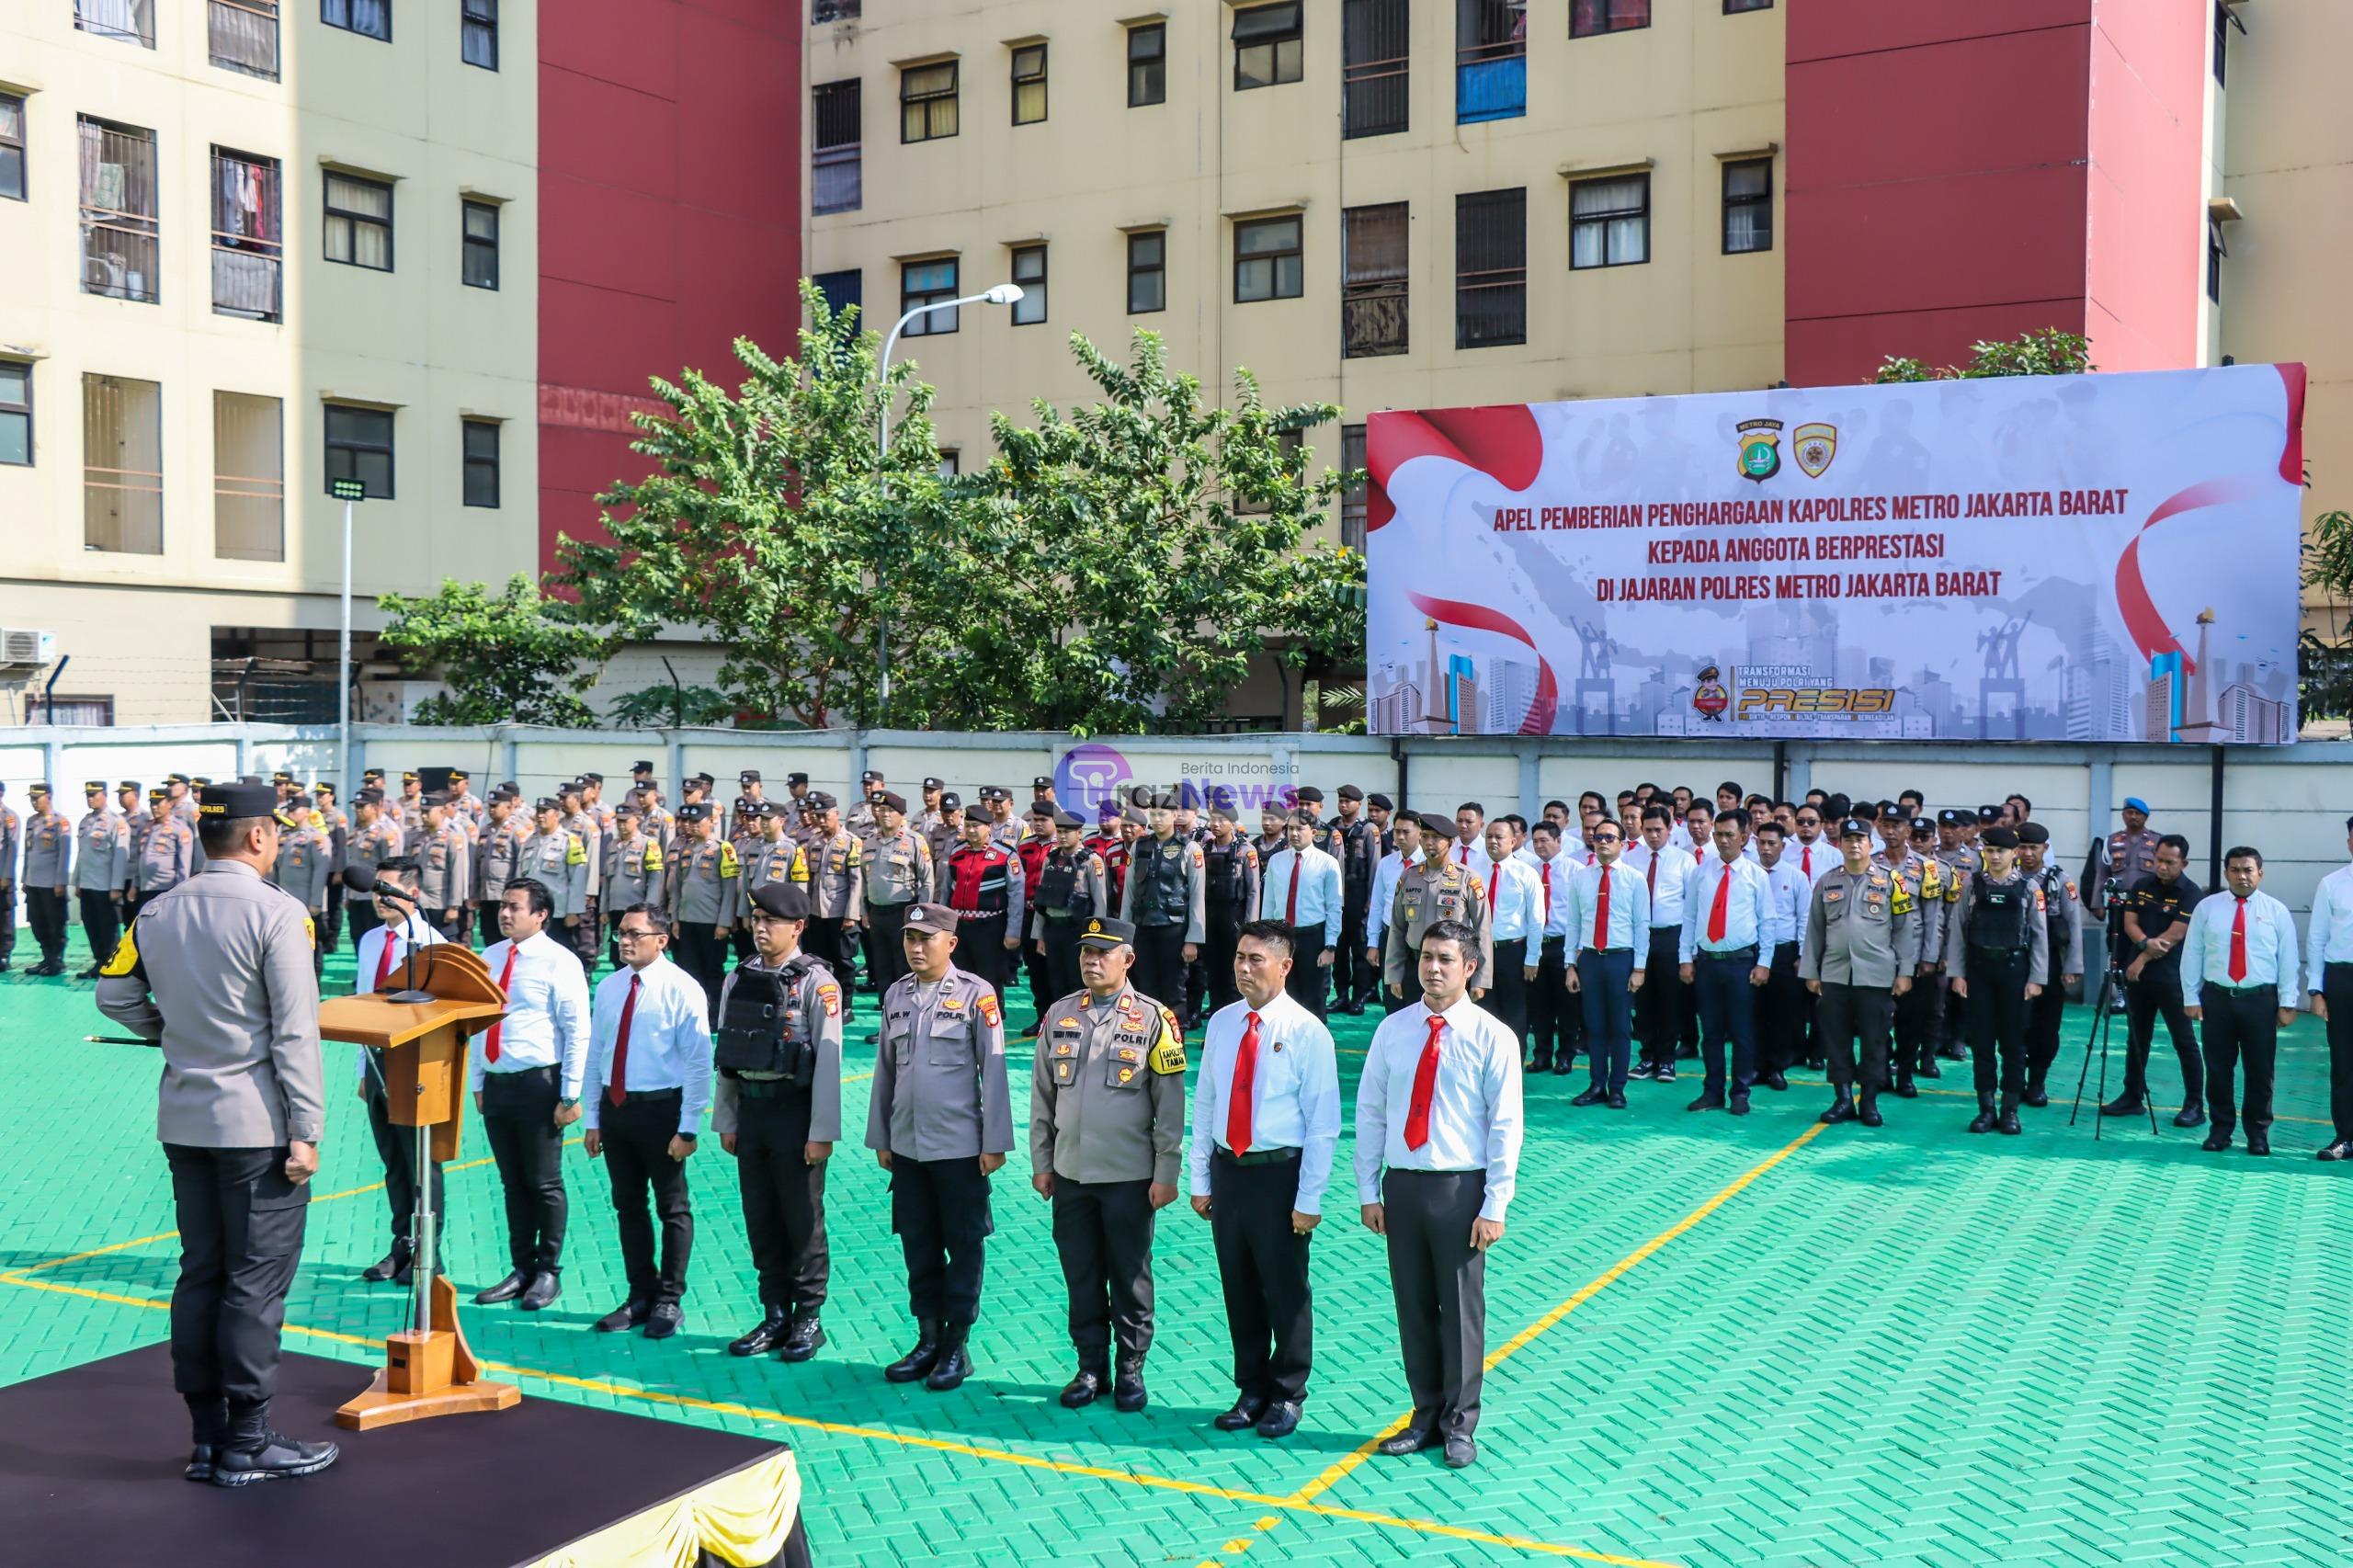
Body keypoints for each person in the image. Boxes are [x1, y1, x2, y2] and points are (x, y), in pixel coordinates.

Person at [96, 779, 338, 1487]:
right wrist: (308, 1129)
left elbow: (113, 994)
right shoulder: (278, 913)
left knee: (201, 1273)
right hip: (257, 1127)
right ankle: (251, 1439)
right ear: (260, 837)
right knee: (255, 1285)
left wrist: (172, 1036)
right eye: (279, 834)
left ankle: (206, 1437)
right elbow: (296, 1031)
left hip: (186, 1119)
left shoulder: (157, 911)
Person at [1355, 921, 1521, 1471]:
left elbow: (1505, 1125)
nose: (1433, 968)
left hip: (1459, 1187)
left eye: (1446, 959)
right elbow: (1371, 1112)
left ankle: (1460, 1424)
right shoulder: (1393, 1031)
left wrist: (1494, 1204)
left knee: (1460, 1313)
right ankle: (1425, 1414)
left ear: (1470, 968)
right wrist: (1368, 1189)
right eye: (1426, 957)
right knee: (1414, 1309)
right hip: (1402, 1185)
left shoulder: (1492, 1036)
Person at [1188, 922, 1342, 1440]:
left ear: (1285, 967)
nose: (1244, 968)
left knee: (1285, 1289)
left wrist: (1309, 1198)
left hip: (1280, 1175)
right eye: (1239, 957)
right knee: (1240, 1286)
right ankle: (1250, 1387)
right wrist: (1201, 1176)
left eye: (1257, 959)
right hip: (1230, 1171)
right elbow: (1206, 1099)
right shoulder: (1223, 1023)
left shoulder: (1307, 1031)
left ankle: (1288, 1392)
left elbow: (1324, 1124)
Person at [1029, 917, 1188, 1412]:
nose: (1091, 961)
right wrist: (1042, 1160)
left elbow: (1171, 1106)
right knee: (1081, 1272)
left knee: (1129, 1274)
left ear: (1128, 960)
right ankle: (1090, 1365)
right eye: (1085, 953)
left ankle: (1130, 1367)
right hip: (1072, 1172)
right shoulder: (1059, 1014)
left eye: (1103, 952)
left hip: (1129, 1177)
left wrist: (1166, 1173)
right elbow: (1042, 1096)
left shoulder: (1156, 1019)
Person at [867, 903, 1014, 1392]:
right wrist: (881, 1136)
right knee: (919, 1244)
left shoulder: (977, 994)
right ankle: (926, 1338)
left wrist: (995, 1142)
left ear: (950, 943)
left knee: (964, 1246)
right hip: (907, 1146)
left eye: (926, 938)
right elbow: (885, 1071)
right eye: (910, 938)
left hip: (959, 1149)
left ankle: (956, 1345)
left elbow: (993, 1072)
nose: (915, 947)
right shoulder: (896, 994)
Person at [714, 881, 845, 1361]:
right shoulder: (738, 977)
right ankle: (774, 1313)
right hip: (752, 1109)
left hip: (796, 1114)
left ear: (799, 927)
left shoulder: (816, 983)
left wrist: (822, 1131)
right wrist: (727, 1118)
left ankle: (808, 1317)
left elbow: (829, 1065)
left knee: (802, 1219)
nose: (761, 929)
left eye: (771, 922)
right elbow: (728, 1052)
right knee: (761, 1217)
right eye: (756, 920)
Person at [583, 904, 712, 1338]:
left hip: (662, 1111)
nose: (624, 940)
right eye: (620, 933)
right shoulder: (609, 986)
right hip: (617, 1110)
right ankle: (640, 1293)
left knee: (672, 1208)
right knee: (628, 1207)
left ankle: (668, 1299)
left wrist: (689, 1126)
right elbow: (595, 1053)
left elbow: (698, 1062)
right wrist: (594, 1118)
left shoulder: (682, 988)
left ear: (661, 940)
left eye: (635, 934)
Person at [472, 878, 592, 1311]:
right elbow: (477, 1023)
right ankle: (520, 1267)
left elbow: (577, 1029)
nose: (505, 914)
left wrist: (570, 1092)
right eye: (503, 906)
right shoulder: (489, 957)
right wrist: (478, 1082)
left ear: (541, 915)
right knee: (512, 1183)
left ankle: (548, 1271)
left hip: (540, 1085)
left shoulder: (559, 961)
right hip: (498, 1086)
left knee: (544, 1183)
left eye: (515, 907)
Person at [347, 857, 449, 1286]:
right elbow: (361, 1002)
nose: (380, 898)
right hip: (377, 1061)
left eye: (389, 890)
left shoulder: (432, 944)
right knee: (393, 1161)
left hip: (417, 1064)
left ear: (414, 894)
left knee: (421, 1162)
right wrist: (362, 1069)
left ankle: (430, 1250)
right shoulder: (371, 940)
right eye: (377, 889)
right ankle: (401, 1245)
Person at [1801, 818, 1917, 1128]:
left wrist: (1905, 971)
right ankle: (1842, 1099)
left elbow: (1905, 930)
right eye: (1848, 839)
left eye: (1860, 839)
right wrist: (1811, 971)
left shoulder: (1892, 881)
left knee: (1875, 1040)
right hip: (1835, 974)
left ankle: (1869, 1101)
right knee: (1836, 1039)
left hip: (1876, 975)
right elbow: (1814, 929)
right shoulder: (1827, 881)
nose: (1854, 844)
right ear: (1840, 844)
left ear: (1871, 844)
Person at [2182, 848, 2300, 1157]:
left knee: (2260, 1071)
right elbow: (2192, 953)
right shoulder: (2207, 909)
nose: (2242, 876)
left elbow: (2287, 959)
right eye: (2235, 870)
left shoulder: (2277, 911)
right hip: (2218, 998)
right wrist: (2190, 997)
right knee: (2219, 1069)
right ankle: (2220, 1131)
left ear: (2260, 872)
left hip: (2260, 1000)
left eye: (2248, 870)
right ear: (2226, 873)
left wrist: (2288, 1002)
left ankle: (2258, 1134)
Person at [1945, 826, 2049, 1135]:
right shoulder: (1972, 885)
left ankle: (2010, 1109)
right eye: (1989, 851)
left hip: (2015, 972)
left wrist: (2037, 978)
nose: (1994, 856)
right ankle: (1986, 1108)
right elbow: (1958, 929)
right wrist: (1957, 973)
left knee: (2014, 1044)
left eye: (2000, 851)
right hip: (1979, 971)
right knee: (1983, 1041)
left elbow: (2039, 935)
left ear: (2013, 853)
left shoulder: (2029, 888)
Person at [2104, 833, 2205, 1126]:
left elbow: (2175, 934)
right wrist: (2144, 944)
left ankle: (2194, 1104)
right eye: (2158, 860)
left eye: (2169, 862)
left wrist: (2141, 958)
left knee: (2184, 1041)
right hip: (2141, 979)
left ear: (2183, 863)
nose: (2161, 866)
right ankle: (2132, 1096)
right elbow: (2129, 922)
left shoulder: (2190, 892)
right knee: (2137, 1037)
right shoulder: (2141, 885)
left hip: (2173, 977)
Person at [1678, 810, 1772, 1114]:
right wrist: (1685, 958)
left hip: (1741, 964)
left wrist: (1765, 962)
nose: (1723, 840)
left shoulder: (1757, 875)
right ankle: (1713, 1091)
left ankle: (1741, 1092)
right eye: (1718, 834)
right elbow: (1690, 917)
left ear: (1744, 838)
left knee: (1743, 1032)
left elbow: (1768, 922)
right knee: (1712, 1031)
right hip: (1707, 963)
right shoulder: (1701, 873)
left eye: (1729, 834)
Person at [1561, 819, 1648, 1108]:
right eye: (1598, 837)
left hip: (1621, 959)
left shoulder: (1635, 879)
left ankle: (1617, 1088)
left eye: (1610, 837)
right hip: (1590, 960)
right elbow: (1572, 923)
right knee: (1594, 1026)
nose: (1603, 842)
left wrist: (1639, 968)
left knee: (1620, 1027)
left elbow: (1641, 925)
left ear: (1622, 843)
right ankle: (1597, 1083)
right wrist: (1570, 964)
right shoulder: (1581, 878)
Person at [1383, 813, 1494, 1003]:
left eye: (1435, 838)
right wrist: (1394, 972)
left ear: (1450, 842)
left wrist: (1480, 979)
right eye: (1424, 836)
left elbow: (1483, 930)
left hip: (1450, 965)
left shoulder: (1467, 879)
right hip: (1414, 964)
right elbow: (1397, 928)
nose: (1428, 842)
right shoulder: (1409, 877)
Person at [1627, 805, 1697, 1083]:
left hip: (1672, 936)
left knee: (1670, 1000)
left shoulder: (1684, 860)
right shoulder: (1631, 859)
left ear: (1670, 829)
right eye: (1648, 830)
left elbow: (1691, 907)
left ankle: (1667, 1059)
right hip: (1639, 935)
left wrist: (1687, 951)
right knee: (1643, 1001)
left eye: (1659, 830)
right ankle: (1647, 1057)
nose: (1653, 835)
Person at [2015, 824, 2082, 1108]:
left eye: (2034, 847)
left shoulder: (2058, 880)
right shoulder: (2006, 877)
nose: (2028, 853)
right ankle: (2015, 1079)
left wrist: (2073, 965)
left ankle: (2038, 1081)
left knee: (2046, 1024)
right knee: (2015, 1023)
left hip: (2051, 962)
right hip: (2015, 960)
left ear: (2045, 848)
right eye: (2023, 847)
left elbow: (2074, 923)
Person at [1122, 797, 1206, 1020]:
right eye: (1154, 814)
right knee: (1144, 992)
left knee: (1174, 993)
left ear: (1174, 815)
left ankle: (1174, 1048)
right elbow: (1128, 893)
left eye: (1162, 814)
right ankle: (1146, 1046)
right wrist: (1125, 935)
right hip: (1143, 929)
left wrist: (1193, 939)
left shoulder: (1190, 848)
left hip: (1174, 931)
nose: (1157, 819)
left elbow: (1197, 897)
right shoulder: (1139, 846)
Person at [1257, 809, 1343, 1017]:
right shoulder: (1277, 861)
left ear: (1313, 832)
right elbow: (1268, 904)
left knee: (1314, 999)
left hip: (1313, 937)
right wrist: (1265, 940)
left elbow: (1334, 907)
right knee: (1283, 995)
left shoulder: (1327, 863)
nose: (1294, 833)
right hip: (1282, 936)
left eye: (1300, 829)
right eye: (1291, 829)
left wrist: (1330, 946)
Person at [944, 812, 1026, 1009]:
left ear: (989, 827)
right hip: (960, 926)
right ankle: (962, 1016)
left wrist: (1013, 932)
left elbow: (1016, 895)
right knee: (960, 975)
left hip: (990, 927)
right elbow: (947, 891)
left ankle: (992, 1018)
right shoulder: (957, 852)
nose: (971, 830)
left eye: (976, 826)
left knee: (989, 976)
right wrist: (944, 927)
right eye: (968, 825)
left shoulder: (1005, 854)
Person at [1029, 809, 1111, 1005]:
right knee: (1055, 980)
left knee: (1078, 980)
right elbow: (1042, 901)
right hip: (1052, 928)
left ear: (1079, 833)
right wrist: (1039, 935)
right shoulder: (1050, 859)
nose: (1062, 836)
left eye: (1068, 832)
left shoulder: (1092, 861)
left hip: (1077, 930)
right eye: (1060, 831)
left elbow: (1100, 902)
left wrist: (1096, 939)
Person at [665, 801, 743, 1003]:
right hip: (686, 920)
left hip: (711, 921)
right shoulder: (685, 849)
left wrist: (724, 922)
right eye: (689, 822)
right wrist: (675, 919)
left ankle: (715, 1013)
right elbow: (677, 889)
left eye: (696, 821)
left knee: (713, 971)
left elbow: (729, 889)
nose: (691, 826)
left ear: (711, 821)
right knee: (689, 971)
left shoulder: (723, 849)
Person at [1477, 817, 1542, 1054]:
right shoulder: (1474, 870)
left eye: (1499, 837)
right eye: (1489, 836)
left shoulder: (1526, 873)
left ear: (1513, 841)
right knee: (1482, 1013)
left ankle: (1513, 1073)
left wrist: (1532, 958)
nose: (1493, 841)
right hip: (1480, 951)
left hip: (1512, 953)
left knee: (1514, 1016)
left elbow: (1536, 919)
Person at [861, 790, 934, 1000]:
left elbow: (927, 881)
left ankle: (906, 1010)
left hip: (903, 912)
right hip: (877, 913)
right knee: (882, 965)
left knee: (903, 965)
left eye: (890, 810)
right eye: (881, 810)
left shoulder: (914, 841)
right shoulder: (870, 842)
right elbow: (865, 881)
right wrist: (864, 910)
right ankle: (887, 1010)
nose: (884, 814)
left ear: (901, 815)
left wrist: (922, 915)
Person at [1753, 820, 1809, 1090]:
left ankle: (1777, 1067)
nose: (1766, 848)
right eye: (1761, 842)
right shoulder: (1748, 873)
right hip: (1752, 952)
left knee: (1782, 1013)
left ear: (1783, 846)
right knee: (1753, 1012)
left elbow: (1804, 918)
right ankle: (1755, 1066)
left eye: (1771, 843)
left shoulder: (1795, 876)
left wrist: (1802, 953)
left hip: (1784, 953)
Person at [2313, 820, 2353, 1163]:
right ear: (2349, 843)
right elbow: (2317, 938)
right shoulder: (2332, 885)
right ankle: (2345, 1137)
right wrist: (2316, 989)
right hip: (2343, 980)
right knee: (2343, 1063)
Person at [802, 793, 867, 1008]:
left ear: (837, 815)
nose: (821, 820)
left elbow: (856, 881)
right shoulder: (814, 842)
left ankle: (845, 1004)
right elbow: (810, 880)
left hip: (840, 912)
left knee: (843, 961)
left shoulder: (851, 842)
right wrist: (806, 911)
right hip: (817, 911)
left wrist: (851, 914)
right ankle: (822, 1000)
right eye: (818, 816)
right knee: (818, 960)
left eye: (826, 816)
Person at [2087, 795, 2164, 973]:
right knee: (2117, 946)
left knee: (2144, 944)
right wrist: (2097, 904)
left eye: (2138, 813)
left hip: (2147, 905)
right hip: (2119, 905)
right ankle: (2120, 989)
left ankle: (2141, 986)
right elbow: (2102, 873)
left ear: (2145, 817)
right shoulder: (2112, 841)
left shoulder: (2158, 841)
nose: (2133, 817)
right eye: (2129, 812)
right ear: (2123, 815)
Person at [1524, 821, 1578, 1074]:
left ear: (1558, 841)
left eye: (1544, 840)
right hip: (1537, 944)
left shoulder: (1575, 871)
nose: (1539, 845)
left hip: (1563, 944)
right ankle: (1542, 1055)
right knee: (1539, 1005)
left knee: (1567, 1006)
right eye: (1535, 841)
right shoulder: (1529, 870)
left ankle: (1566, 1055)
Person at [1326, 786, 1384, 1014]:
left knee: (1359, 949)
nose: (1343, 805)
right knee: (1338, 947)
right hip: (1336, 895)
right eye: (1341, 800)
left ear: (1358, 804)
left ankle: (1359, 996)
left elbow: (1374, 867)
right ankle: (1341, 994)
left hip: (1359, 894)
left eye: (1348, 801)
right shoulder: (1332, 827)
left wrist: (1371, 899)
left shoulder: (1368, 830)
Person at [1201, 806, 1263, 1017]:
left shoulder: (1246, 850)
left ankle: (1237, 1020)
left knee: (1233, 976)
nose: (1216, 824)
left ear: (1233, 823)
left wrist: (1250, 928)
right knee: (1213, 975)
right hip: (1210, 919)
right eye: (1213, 820)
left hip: (1234, 919)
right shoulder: (1205, 849)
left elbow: (1253, 891)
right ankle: (1218, 1020)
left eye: (1222, 820)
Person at [72, 778, 131, 978]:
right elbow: (81, 854)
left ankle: (112, 965)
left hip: (105, 886)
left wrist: (116, 886)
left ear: (104, 795)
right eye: (88, 795)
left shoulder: (116, 821)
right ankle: (98, 962)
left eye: (94, 795)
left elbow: (121, 857)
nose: (90, 799)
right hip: (87, 884)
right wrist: (77, 881)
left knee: (108, 928)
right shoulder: (86, 821)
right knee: (91, 925)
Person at [604, 802, 668, 967]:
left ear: (638, 819)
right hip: (616, 908)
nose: (621, 824)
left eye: (626, 820)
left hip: (637, 909)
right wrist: (604, 908)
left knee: (639, 951)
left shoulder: (649, 844)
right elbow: (607, 880)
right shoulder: (613, 845)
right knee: (618, 953)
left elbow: (655, 879)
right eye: (619, 821)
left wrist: (650, 908)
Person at [19, 782, 71, 976]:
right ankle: (46, 958)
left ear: (48, 797)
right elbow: (28, 852)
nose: (33, 802)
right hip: (33, 882)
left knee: (54, 923)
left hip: (51, 884)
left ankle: (56, 961)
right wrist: (25, 878)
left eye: (37, 798)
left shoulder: (60, 822)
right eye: (31, 798)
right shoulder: (32, 821)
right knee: (37, 922)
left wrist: (60, 881)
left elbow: (64, 854)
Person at [412, 792, 473, 942]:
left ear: (441, 811)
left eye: (428, 812)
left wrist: (454, 906)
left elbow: (458, 873)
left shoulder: (453, 837)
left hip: (441, 903)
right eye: (422, 811)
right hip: (420, 902)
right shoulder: (418, 838)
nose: (424, 816)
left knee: (446, 946)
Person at [0, 781, 17, 971]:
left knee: (4, 917)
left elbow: (12, 849)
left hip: (2, 877)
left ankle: (4, 955)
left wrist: (6, 876)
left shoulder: (9, 817)